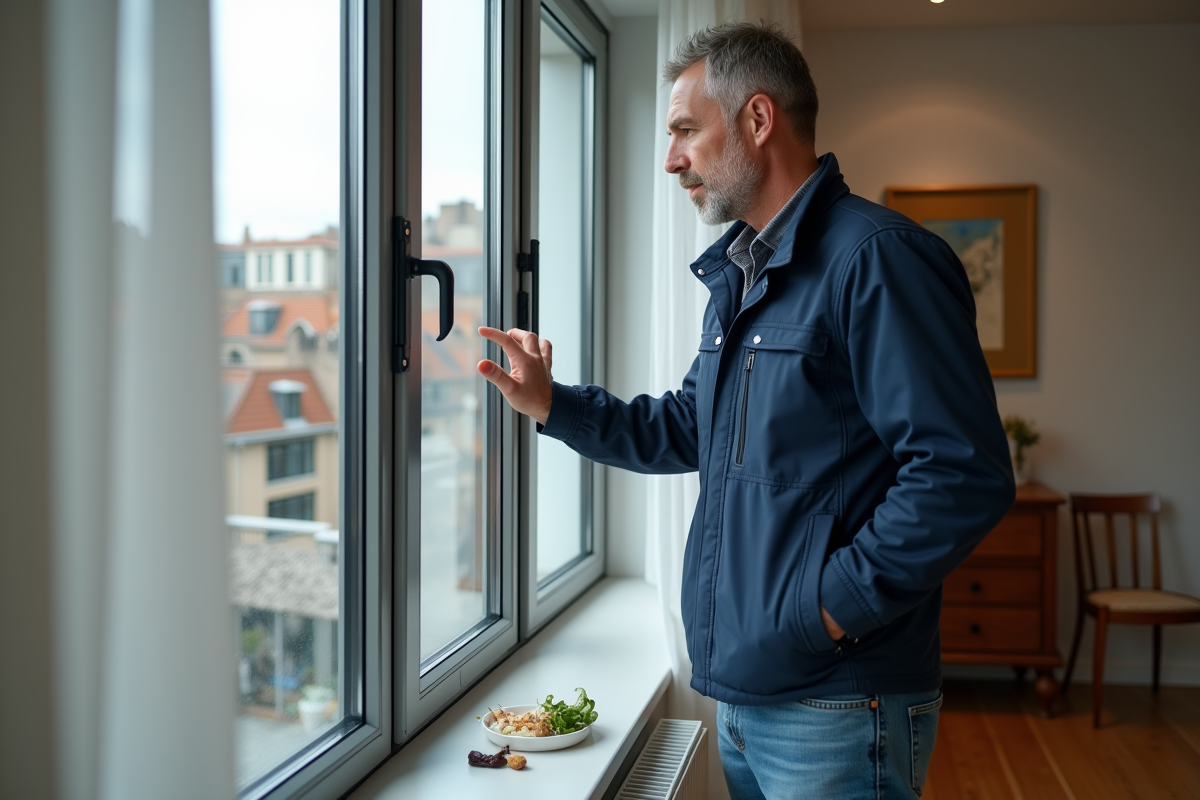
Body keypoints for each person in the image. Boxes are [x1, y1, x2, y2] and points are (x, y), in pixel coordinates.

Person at [477, 21, 1015, 800]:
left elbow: (961, 474)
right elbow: (689, 427)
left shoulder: (878, 259)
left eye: (685, 131)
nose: (671, 160)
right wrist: (553, 404)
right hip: (747, 697)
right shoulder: (743, 275)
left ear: (758, 119)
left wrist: (823, 613)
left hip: (837, 702)